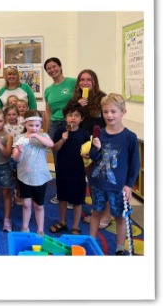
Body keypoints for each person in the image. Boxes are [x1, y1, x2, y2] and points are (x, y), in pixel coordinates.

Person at [88, 93, 140, 255]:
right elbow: (93, 157)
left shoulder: (130, 137)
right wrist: (95, 147)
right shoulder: (99, 134)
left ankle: (119, 248)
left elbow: (135, 164)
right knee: (96, 213)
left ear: (123, 112)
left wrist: (129, 185)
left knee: (120, 217)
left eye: (113, 111)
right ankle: (91, 241)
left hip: (118, 186)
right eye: (105, 112)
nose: (109, 115)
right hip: (98, 184)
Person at [70, 69, 111, 228]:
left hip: (99, 143)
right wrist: (78, 107)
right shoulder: (75, 99)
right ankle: (97, 211)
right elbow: (71, 120)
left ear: (94, 82)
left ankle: (106, 216)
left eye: (89, 80)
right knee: (92, 181)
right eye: (82, 80)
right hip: (83, 144)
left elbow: (107, 120)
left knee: (102, 181)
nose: (85, 82)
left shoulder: (102, 98)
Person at [50, 102, 90, 235]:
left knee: (78, 200)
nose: (73, 118)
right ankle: (62, 222)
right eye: (70, 115)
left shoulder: (84, 134)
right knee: (62, 197)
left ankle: (75, 226)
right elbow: (54, 149)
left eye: (77, 115)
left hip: (78, 172)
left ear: (81, 118)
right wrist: (62, 140)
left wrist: (87, 155)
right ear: (65, 117)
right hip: (62, 170)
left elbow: (88, 153)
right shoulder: (60, 131)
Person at [12, 110, 54, 236]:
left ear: (41, 125)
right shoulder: (20, 138)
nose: (34, 128)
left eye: (37, 125)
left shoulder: (44, 137)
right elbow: (15, 159)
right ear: (25, 124)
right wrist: (19, 151)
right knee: (25, 203)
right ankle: (25, 226)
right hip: (25, 176)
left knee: (39, 205)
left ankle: (40, 229)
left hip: (39, 177)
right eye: (31, 125)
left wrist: (36, 136)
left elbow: (51, 144)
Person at [43, 57, 76, 205]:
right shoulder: (48, 90)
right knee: (58, 161)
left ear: (60, 66)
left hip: (71, 124)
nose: (52, 70)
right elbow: (48, 111)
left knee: (72, 160)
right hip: (55, 126)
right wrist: (46, 129)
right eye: (48, 68)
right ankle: (61, 193)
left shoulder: (72, 82)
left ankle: (72, 195)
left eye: (54, 66)